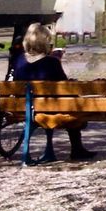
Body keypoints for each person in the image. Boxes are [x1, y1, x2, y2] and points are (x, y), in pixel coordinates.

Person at [12, 25, 94, 163]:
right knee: (71, 104)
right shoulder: (51, 63)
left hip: (25, 110)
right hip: (50, 110)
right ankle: (77, 149)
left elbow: (16, 82)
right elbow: (64, 87)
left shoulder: (19, 60)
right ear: (45, 42)